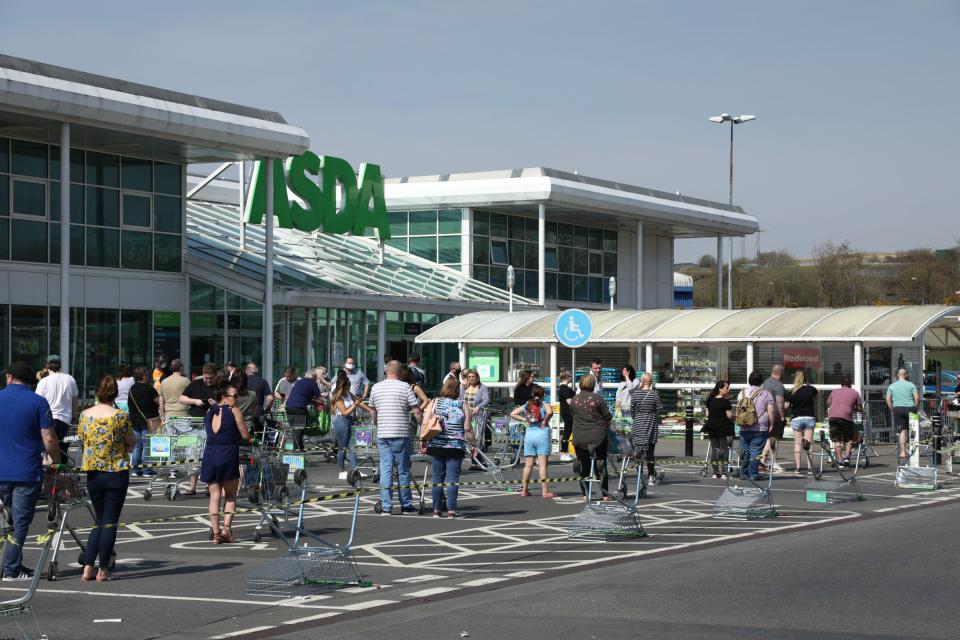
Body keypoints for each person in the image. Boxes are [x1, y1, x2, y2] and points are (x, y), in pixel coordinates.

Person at [0, 362, 60, 581]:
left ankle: (12, 563)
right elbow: (49, 437)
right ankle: (11, 568)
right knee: (20, 521)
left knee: (7, 520)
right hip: (26, 470)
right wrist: (57, 460)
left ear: (9, 377)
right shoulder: (38, 402)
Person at [78, 375, 135, 582]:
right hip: (115, 472)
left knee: (99, 521)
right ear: (114, 394)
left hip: (93, 472)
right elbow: (131, 440)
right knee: (110, 522)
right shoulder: (119, 416)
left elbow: (83, 439)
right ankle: (103, 569)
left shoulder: (85, 415)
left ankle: (87, 567)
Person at [368, 360, 422, 515]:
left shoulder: (376, 387)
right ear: (400, 373)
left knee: (386, 469)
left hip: (383, 434)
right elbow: (416, 411)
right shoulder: (405, 387)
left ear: (386, 371)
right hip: (401, 433)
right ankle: (406, 505)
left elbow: (372, 411)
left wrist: (378, 424)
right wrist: (422, 426)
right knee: (403, 470)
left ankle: (386, 506)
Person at [200, 381, 250, 544]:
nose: (237, 399)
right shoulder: (234, 411)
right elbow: (245, 435)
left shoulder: (210, 411)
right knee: (230, 497)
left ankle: (215, 534)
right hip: (227, 455)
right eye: (234, 396)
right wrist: (246, 438)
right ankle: (226, 530)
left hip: (210, 455)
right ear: (224, 397)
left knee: (214, 496)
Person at [424, 376, 478, 518]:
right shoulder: (462, 404)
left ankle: (436, 509)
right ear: (457, 390)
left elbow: (425, 422)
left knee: (437, 478)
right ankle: (451, 510)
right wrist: (474, 445)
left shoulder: (435, 402)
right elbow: (467, 428)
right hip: (455, 446)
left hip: (437, 444)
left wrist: (423, 440)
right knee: (452, 478)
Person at [570, 373, 613, 499]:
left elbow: (573, 416)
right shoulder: (598, 398)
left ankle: (585, 494)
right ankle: (605, 494)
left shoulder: (574, 400)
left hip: (579, 436)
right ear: (593, 384)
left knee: (584, 465)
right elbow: (607, 417)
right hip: (597, 436)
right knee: (601, 465)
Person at [511, 384, 556, 498]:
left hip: (529, 435)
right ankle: (545, 491)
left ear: (532, 394)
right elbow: (550, 412)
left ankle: (524, 490)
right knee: (542, 466)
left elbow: (513, 414)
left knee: (528, 466)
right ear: (543, 395)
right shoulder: (544, 404)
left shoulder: (527, 405)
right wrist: (545, 420)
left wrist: (524, 419)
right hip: (542, 435)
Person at [179, 363, 217, 495]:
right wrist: (195, 402)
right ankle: (192, 486)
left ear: (216, 376)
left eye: (211, 378)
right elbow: (182, 398)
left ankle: (209, 486)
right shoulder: (196, 383)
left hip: (212, 427)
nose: (208, 380)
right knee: (193, 456)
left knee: (209, 457)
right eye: (206, 378)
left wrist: (215, 404)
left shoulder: (220, 386)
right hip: (194, 425)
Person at [34, 353, 78, 461]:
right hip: (64, 421)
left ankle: (50, 475)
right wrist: (74, 416)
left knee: (47, 452)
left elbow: (36, 403)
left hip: (47, 421)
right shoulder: (70, 380)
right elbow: (74, 402)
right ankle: (60, 475)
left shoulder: (43, 382)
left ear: (47, 365)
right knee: (62, 451)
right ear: (60, 365)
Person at [330, 371, 372, 481]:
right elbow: (345, 412)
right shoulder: (338, 397)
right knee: (343, 448)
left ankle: (355, 470)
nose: (350, 385)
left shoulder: (348, 393)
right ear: (344, 386)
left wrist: (369, 410)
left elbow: (357, 401)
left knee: (352, 447)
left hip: (349, 421)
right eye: (348, 384)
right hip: (341, 421)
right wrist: (355, 405)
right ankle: (341, 471)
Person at [738, 372, 776, 481]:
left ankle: (744, 473)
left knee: (745, 451)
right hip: (759, 426)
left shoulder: (742, 393)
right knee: (755, 451)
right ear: (761, 381)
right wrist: (771, 424)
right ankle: (753, 474)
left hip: (744, 426)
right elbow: (771, 411)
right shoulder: (766, 394)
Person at [630, 373, 663, 485]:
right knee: (650, 452)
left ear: (642, 382)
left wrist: (637, 417)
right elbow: (659, 409)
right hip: (651, 424)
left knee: (638, 451)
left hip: (638, 424)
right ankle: (650, 476)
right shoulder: (654, 394)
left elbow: (632, 410)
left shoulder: (635, 394)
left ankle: (639, 474)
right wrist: (652, 414)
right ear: (651, 382)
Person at [127, 366, 160, 477]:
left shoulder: (131, 389)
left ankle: (136, 470)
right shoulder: (149, 389)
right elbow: (158, 401)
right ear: (144, 376)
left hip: (135, 421)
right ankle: (147, 470)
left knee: (137, 446)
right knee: (147, 445)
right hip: (148, 421)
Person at [786, 371, 818, 475]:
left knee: (797, 444)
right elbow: (815, 393)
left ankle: (798, 468)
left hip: (797, 418)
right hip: (809, 417)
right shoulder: (811, 389)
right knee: (809, 443)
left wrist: (791, 405)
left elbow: (786, 406)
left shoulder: (792, 391)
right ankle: (810, 468)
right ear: (805, 378)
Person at [285, 367, 323, 451]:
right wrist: (319, 405)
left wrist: (311, 400)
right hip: (299, 408)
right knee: (299, 430)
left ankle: (300, 449)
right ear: (314, 376)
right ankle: (297, 451)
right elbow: (320, 399)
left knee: (295, 430)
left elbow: (302, 395)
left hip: (289, 407)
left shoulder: (299, 382)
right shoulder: (313, 383)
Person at [828, 377, 863, 467]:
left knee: (837, 439)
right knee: (848, 438)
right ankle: (847, 457)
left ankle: (840, 460)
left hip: (833, 416)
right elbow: (860, 407)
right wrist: (856, 409)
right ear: (850, 385)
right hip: (846, 417)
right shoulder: (854, 393)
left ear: (841, 384)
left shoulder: (834, 392)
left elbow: (829, 403)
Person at [886, 368, 919, 462]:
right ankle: (914, 451)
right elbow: (917, 398)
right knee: (913, 429)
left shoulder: (892, 386)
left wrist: (892, 409)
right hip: (910, 408)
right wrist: (915, 408)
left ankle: (903, 452)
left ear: (897, 375)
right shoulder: (911, 385)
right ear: (906, 375)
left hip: (898, 409)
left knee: (902, 431)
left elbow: (888, 399)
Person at [703, 380, 735, 478]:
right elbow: (729, 416)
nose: (728, 389)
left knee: (715, 449)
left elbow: (707, 414)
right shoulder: (725, 401)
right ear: (720, 389)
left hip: (712, 426)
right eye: (726, 387)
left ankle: (715, 472)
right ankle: (724, 471)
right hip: (723, 427)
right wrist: (735, 416)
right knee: (724, 449)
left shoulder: (710, 400)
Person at [761, 364, 787, 473]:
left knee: (768, 438)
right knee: (774, 438)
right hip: (775, 414)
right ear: (780, 372)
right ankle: (767, 461)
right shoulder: (778, 385)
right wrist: (782, 416)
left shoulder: (765, 383)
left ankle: (764, 461)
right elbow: (779, 402)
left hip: (764, 414)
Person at [229, 369, 258, 436]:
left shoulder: (228, 395)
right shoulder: (252, 394)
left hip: (232, 427)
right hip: (247, 427)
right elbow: (255, 408)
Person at [557, 369, 576, 462]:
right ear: (567, 377)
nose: (571, 378)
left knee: (567, 431)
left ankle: (565, 452)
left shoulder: (562, 388)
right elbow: (569, 401)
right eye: (570, 376)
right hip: (567, 412)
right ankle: (564, 453)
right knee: (567, 432)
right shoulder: (565, 389)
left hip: (565, 412)